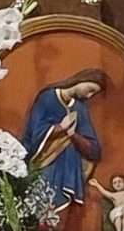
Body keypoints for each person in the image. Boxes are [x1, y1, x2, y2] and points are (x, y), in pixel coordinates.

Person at [23, 68, 108, 220]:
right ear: (81, 80)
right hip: (44, 164)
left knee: (58, 216)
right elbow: (34, 133)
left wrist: (73, 136)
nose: (89, 96)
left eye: (93, 94)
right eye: (90, 90)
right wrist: (59, 128)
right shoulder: (47, 98)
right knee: (40, 209)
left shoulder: (80, 109)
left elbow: (94, 150)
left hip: (68, 169)